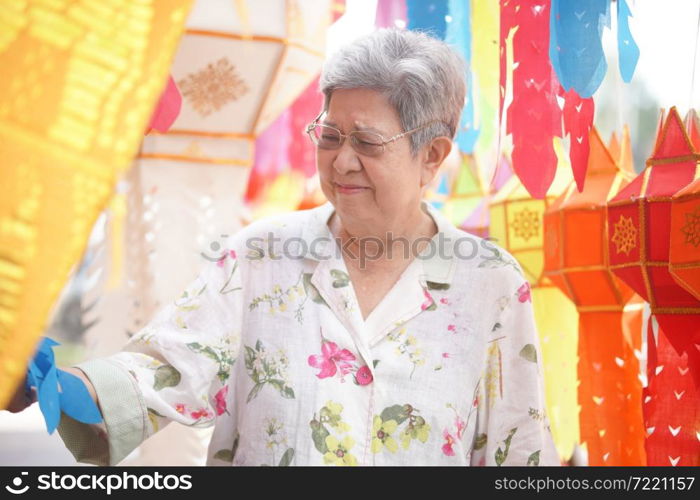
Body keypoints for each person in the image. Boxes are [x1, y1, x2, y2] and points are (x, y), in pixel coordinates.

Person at [6, 28, 559, 466]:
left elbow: (519, 448)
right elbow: (163, 370)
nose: (342, 161)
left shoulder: (490, 283)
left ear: (432, 155)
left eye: (366, 142)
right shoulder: (260, 256)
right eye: (330, 135)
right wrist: (43, 383)